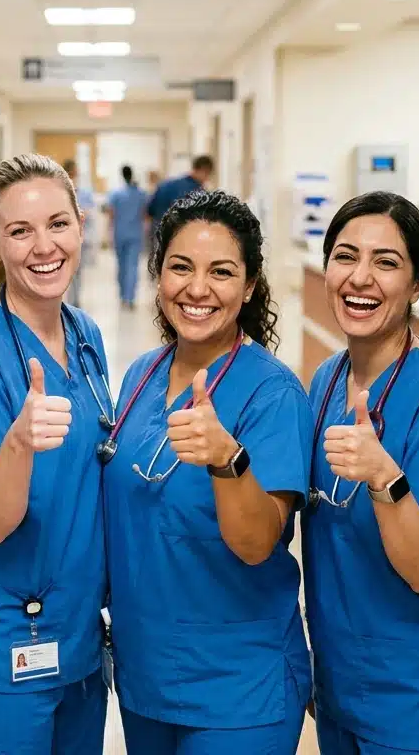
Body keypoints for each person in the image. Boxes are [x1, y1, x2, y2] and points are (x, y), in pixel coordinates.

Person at [103, 190, 311, 753]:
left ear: (248, 287)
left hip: (238, 688)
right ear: (157, 273)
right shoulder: (142, 376)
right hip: (146, 675)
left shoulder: (273, 393)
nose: (197, 289)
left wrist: (228, 460)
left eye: (221, 272)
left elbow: (256, 542)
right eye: (180, 267)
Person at [0, 153, 110, 754]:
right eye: (19, 231)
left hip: (79, 638)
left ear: (81, 225)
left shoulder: (86, 336)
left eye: (58, 223)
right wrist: (18, 442)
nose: (44, 246)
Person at [303, 191, 419, 754]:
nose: (360, 278)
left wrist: (386, 477)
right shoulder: (327, 382)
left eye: (386, 262)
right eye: (345, 256)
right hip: (341, 684)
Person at [105, 165, 151, 309]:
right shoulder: (141, 194)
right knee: (132, 266)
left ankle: (123, 296)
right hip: (135, 233)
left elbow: (111, 215)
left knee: (121, 266)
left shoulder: (116, 194)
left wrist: (109, 233)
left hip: (120, 233)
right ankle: (130, 298)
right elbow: (145, 215)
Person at [148, 155, 214, 232]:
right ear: (204, 170)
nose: (207, 179)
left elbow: (150, 210)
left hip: (158, 232)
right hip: (176, 233)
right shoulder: (196, 191)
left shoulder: (166, 184)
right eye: (208, 174)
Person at [64, 158, 97, 309]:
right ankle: (68, 300)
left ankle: (74, 301)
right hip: (63, 237)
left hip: (77, 237)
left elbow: (88, 212)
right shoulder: (60, 192)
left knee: (77, 270)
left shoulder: (82, 193)